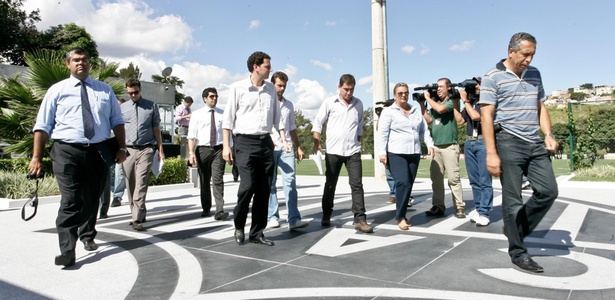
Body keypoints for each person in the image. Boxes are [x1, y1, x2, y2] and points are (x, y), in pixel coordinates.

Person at [29, 47, 126, 267]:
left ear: (90, 63)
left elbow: (117, 122)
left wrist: (122, 148)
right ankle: (67, 250)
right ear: (68, 64)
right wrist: (36, 157)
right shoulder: (57, 90)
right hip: (66, 150)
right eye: (75, 60)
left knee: (92, 199)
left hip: (98, 150)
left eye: (84, 59)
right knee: (71, 200)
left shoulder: (104, 90)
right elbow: (42, 126)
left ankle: (88, 234)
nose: (80, 63)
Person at [481, 32, 559, 273]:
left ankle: (516, 229)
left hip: (534, 141)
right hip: (508, 141)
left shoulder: (535, 74)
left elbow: (540, 106)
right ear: (511, 51)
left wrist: (548, 134)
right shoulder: (492, 78)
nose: (529, 59)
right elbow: (486, 115)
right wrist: (491, 153)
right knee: (512, 201)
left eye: (532, 54)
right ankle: (518, 252)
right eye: (525, 54)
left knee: (548, 191)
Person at [222, 51, 288, 246]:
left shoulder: (270, 90)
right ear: (256, 67)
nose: (270, 69)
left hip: (266, 143)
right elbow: (228, 120)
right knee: (247, 186)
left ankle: (257, 232)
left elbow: (277, 119)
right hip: (244, 142)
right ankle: (239, 225)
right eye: (267, 66)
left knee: (264, 189)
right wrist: (227, 146)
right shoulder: (238, 88)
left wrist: (283, 140)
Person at [312, 74, 373, 233]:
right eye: (346, 89)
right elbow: (318, 122)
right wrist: (316, 142)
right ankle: (326, 214)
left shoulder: (358, 104)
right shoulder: (329, 103)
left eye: (352, 89)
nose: (349, 92)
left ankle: (360, 219)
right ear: (339, 87)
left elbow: (360, 125)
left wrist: (359, 141)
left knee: (357, 185)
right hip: (333, 151)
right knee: (330, 184)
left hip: (353, 151)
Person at [377, 82, 434, 230]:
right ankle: (400, 216)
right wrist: (382, 152)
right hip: (396, 152)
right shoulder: (388, 112)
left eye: (406, 93)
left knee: (409, 183)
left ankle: (402, 213)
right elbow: (382, 133)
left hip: (414, 152)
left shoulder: (415, 111)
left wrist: (430, 144)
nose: (403, 95)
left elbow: (424, 130)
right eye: (400, 93)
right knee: (402, 182)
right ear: (395, 95)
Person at [266, 71, 309, 230]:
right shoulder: (266, 102)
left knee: (290, 182)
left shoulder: (289, 105)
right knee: (270, 184)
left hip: (287, 147)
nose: (282, 88)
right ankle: (272, 216)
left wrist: (298, 147)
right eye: (279, 85)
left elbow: (291, 129)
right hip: (270, 147)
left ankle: (294, 219)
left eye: (284, 86)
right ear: (272, 84)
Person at [122, 78, 165, 231]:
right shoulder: (123, 108)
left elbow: (156, 129)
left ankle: (136, 218)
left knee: (141, 181)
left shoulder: (151, 106)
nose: (133, 95)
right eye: (130, 93)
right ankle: (138, 211)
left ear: (141, 89)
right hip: (128, 149)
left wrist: (160, 148)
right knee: (131, 183)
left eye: (136, 92)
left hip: (146, 148)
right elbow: (119, 130)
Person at [422, 78, 465, 219]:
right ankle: (438, 206)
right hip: (437, 147)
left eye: (441, 86)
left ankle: (459, 206)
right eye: (437, 87)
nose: (438, 89)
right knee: (436, 179)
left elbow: (440, 109)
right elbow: (429, 120)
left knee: (453, 179)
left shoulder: (451, 102)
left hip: (450, 146)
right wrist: (422, 104)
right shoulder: (436, 103)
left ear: (448, 88)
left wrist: (428, 98)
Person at [187, 87, 229, 221]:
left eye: (216, 96)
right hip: (203, 150)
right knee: (204, 180)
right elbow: (192, 135)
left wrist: (229, 149)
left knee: (218, 180)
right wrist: (191, 153)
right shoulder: (197, 114)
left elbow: (228, 134)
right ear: (205, 98)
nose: (214, 98)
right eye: (211, 96)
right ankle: (206, 208)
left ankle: (220, 210)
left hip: (219, 149)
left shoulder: (223, 114)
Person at [459, 77, 493, 227]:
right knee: (474, 180)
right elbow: (460, 121)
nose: (477, 87)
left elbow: (476, 117)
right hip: (469, 142)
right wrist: (456, 100)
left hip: (482, 141)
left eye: (479, 84)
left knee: (484, 180)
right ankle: (479, 209)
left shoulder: (486, 102)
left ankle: (484, 212)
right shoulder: (471, 103)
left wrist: (465, 101)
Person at [110, 97, 127, 208]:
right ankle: (112, 192)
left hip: (120, 145)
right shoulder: (108, 113)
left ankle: (117, 196)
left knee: (120, 171)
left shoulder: (124, 116)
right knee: (110, 171)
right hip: (108, 144)